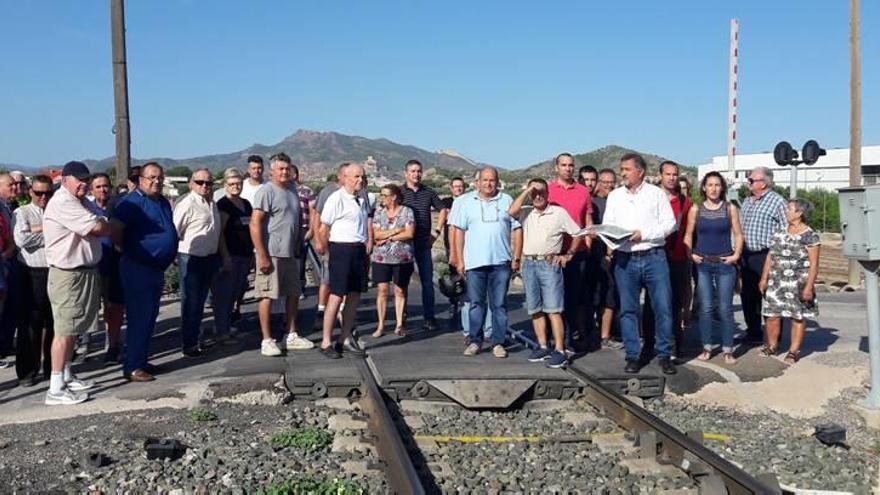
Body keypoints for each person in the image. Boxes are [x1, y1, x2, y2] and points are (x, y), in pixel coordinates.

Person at [42, 161, 110, 405]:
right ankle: (55, 387)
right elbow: (99, 227)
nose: (84, 183)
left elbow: (102, 221)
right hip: (68, 274)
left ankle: (67, 375)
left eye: (86, 179)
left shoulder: (81, 201)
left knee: (74, 329)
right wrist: (101, 223)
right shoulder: (64, 202)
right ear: (65, 180)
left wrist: (101, 222)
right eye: (78, 179)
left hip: (84, 272)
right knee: (64, 330)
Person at [603, 153, 677, 374]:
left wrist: (642, 234)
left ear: (640, 171)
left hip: (654, 257)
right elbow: (608, 224)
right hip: (625, 259)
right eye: (622, 169)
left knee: (662, 307)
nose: (623, 173)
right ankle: (633, 355)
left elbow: (670, 224)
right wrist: (614, 237)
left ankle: (664, 354)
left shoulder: (656, 195)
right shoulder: (615, 196)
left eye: (627, 169)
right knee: (628, 309)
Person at [112, 162, 178, 382]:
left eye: (159, 177)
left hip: (156, 269)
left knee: (149, 317)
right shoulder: (131, 203)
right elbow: (115, 230)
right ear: (141, 180)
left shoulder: (162, 202)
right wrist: (125, 249)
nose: (156, 181)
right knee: (139, 317)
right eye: (151, 178)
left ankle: (139, 359)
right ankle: (132, 367)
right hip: (138, 268)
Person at [510, 178, 583, 368]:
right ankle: (542, 346)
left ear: (548, 194)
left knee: (553, 309)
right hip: (529, 264)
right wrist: (528, 191)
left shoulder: (558, 213)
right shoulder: (527, 213)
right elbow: (512, 211)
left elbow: (577, 233)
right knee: (535, 309)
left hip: (549, 264)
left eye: (541, 192)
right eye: (534, 193)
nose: (538, 196)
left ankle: (560, 349)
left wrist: (569, 254)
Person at [451, 166, 522, 358]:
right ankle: (475, 341)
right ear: (478, 182)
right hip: (474, 263)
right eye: (485, 180)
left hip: (501, 262)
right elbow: (459, 232)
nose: (488, 184)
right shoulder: (467, 203)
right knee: (476, 303)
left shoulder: (507, 200)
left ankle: (498, 342)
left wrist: (516, 256)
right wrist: (459, 259)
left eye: (492, 180)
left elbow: (517, 229)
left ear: (497, 182)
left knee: (499, 304)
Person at [250, 153, 313, 356]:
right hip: (272, 253)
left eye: (287, 168)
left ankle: (291, 335)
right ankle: (267, 340)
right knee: (267, 294)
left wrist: (296, 244)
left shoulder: (292, 190)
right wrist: (262, 255)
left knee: (293, 293)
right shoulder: (266, 191)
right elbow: (255, 223)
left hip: (290, 253)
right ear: (272, 171)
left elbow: (294, 221)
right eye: (280, 169)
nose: (285, 172)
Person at [683, 172, 743, 364]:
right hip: (704, 265)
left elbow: (739, 234)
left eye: (717, 185)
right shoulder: (696, 209)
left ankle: (727, 349)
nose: (714, 188)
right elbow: (688, 234)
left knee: (725, 309)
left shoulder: (729, 208)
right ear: (704, 188)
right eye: (710, 185)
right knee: (706, 308)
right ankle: (706, 347)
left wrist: (736, 255)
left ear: (722, 188)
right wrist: (690, 254)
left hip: (725, 264)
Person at [318, 163, 371, 359]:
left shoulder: (361, 199)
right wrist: (326, 251)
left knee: (354, 295)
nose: (360, 180)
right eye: (356, 176)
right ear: (345, 178)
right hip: (341, 249)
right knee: (336, 296)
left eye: (362, 176)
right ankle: (325, 341)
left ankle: (343, 339)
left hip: (358, 250)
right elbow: (323, 228)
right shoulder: (336, 198)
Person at [759, 199, 820, 365]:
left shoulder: (810, 235)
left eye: (789, 208)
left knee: (797, 317)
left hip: (798, 282)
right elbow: (770, 256)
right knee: (771, 315)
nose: (786, 211)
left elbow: (814, 263)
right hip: (777, 280)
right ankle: (772, 346)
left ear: (799, 213)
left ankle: (793, 351)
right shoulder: (779, 231)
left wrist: (809, 286)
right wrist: (764, 278)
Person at [642, 161, 692, 358]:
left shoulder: (684, 202)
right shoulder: (650, 199)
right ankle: (648, 344)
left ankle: (673, 346)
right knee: (652, 304)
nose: (672, 178)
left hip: (678, 259)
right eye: (668, 174)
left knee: (674, 305)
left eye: (675, 174)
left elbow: (689, 231)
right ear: (660, 175)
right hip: (654, 257)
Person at [173, 168, 222, 356]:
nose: (204, 186)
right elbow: (175, 230)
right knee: (191, 302)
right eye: (200, 182)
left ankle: (196, 338)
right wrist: (174, 257)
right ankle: (189, 344)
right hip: (190, 258)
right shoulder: (187, 203)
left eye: (208, 183)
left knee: (201, 301)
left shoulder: (212, 203)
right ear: (191, 183)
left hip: (209, 258)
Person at [547, 153, 593, 351]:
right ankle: (552, 338)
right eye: (564, 165)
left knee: (573, 298)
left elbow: (588, 221)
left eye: (571, 165)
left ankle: (569, 339)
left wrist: (588, 245)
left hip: (577, 252)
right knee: (553, 298)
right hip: (553, 253)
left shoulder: (583, 191)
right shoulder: (548, 190)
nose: (567, 168)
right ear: (556, 167)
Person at [13, 175, 54, 386]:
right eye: (39, 193)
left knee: (54, 323)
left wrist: (38, 230)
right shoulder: (22, 212)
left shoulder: (56, 211)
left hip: (55, 271)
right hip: (32, 272)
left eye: (48, 192)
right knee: (31, 323)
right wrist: (51, 231)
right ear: (31, 192)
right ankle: (27, 371)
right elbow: (22, 239)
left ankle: (51, 368)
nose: (43, 197)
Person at [740, 166, 788, 344]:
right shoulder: (747, 201)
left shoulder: (778, 202)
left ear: (764, 183)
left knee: (770, 296)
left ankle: (773, 339)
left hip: (766, 256)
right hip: (746, 255)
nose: (748, 183)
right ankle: (753, 332)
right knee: (748, 296)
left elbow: (785, 230)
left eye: (752, 180)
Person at [401, 159, 448, 331]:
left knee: (427, 282)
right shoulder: (399, 192)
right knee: (402, 282)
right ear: (406, 173)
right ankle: (402, 316)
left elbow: (442, 209)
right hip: (404, 243)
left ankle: (429, 317)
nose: (416, 174)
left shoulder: (429, 192)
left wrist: (436, 232)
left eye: (419, 171)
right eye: (413, 171)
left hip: (423, 242)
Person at [212, 168, 253, 341]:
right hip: (230, 255)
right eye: (232, 184)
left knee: (237, 292)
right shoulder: (223, 204)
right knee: (224, 294)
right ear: (225, 185)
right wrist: (225, 256)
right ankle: (221, 331)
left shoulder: (246, 204)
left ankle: (227, 325)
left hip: (245, 255)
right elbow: (220, 232)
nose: (236, 186)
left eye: (239, 183)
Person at [371, 184, 415, 338]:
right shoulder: (379, 212)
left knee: (400, 290)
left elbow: (409, 233)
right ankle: (381, 325)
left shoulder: (407, 211)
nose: (382, 198)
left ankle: (399, 324)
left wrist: (388, 237)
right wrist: (397, 230)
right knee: (382, 290)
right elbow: (376, 234)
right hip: (381, 258)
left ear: (394, 197)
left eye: (384, 195)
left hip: (402, 258)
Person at [90, 173, 125, 363]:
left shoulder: (118, 208)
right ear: (91, 190)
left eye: (105, 186)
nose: (102, 190)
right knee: (89, 309)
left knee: (114, 307)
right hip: (93, 265)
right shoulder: (86, 209)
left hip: (115, 263)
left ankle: (113, 344)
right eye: (98, 187)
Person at [591, 168, 621, 349]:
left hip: (617, 255)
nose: (609, 185)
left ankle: (606, 334)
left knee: (612, 296)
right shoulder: (593, 203)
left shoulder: (619, 201)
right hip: (597, 255)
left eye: (612, 182)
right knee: (596, 296)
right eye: (605, 182)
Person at [442, 177, 466, 256]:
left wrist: (451, 213)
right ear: (451, 188)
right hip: (450, 244)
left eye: (460, 186)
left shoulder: (469, 202)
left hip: (467, 243)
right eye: (456, 186)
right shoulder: (445, 202)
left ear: (464, 188)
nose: (458, 189)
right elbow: (444, 216)